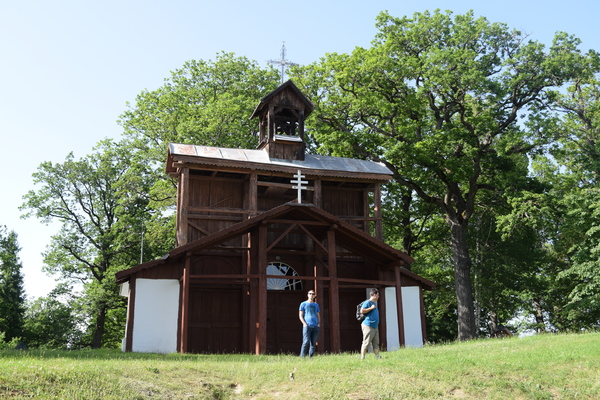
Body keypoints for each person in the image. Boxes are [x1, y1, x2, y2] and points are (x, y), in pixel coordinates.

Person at [298, 290, 321, 357]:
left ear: (314, 295)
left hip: (315, 326)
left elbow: (318, 315)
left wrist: (319, 324)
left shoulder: (316, 305)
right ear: (308, 295)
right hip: (307, 325)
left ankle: (311, 357)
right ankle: (302, 357)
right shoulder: (303, 304)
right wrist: (304, 324)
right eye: (310, 294)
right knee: (306, 342)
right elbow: (300, 315)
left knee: (313, 343)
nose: (311, 295)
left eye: (313, 294)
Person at [360, 288, 381, 359]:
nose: (378, 296)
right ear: (374, 295)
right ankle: (363, 357)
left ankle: (377, 356)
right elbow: (362, 311)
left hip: (375, 326)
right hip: (368, 325)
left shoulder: (374, 303)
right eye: (378, 295)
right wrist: (371, 308)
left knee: (376, 342)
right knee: (366, 342)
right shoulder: (367, 303)